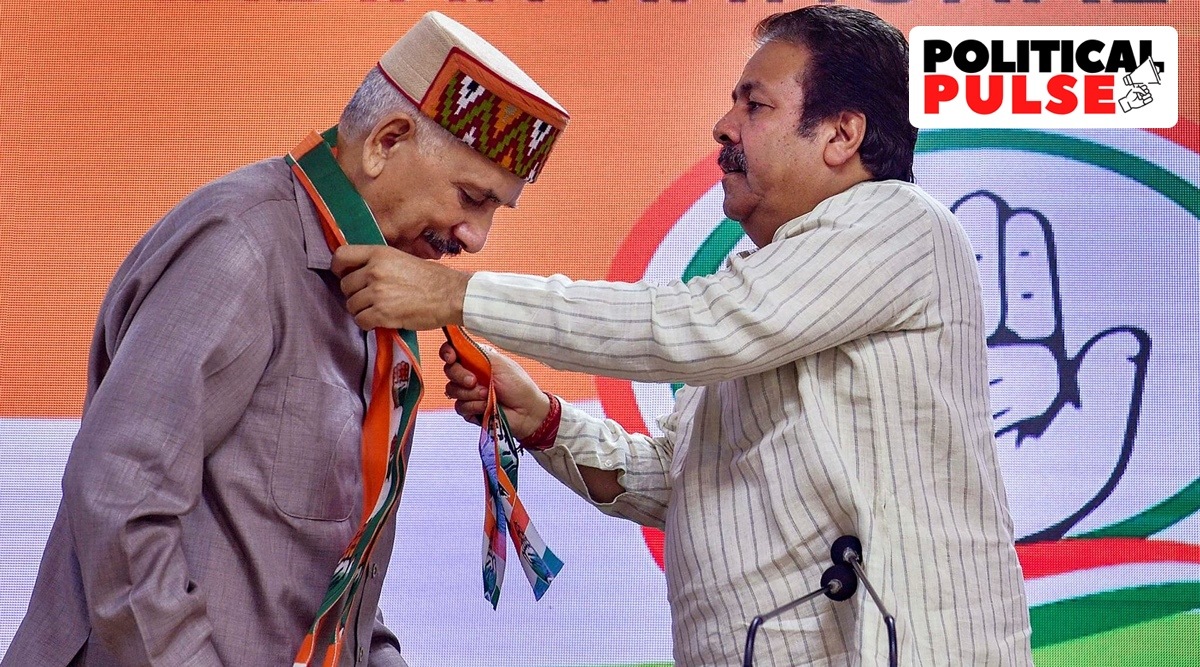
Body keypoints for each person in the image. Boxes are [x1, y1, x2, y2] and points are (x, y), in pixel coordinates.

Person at [330, 5, 1036, 666]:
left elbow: (699, 325)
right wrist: (541, 418)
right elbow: (677, 479)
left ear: (841, 135)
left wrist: (454, 293)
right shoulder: (764, 281)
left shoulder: (899, 224)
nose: (724, 126)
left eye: (755, 105)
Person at [3, 11, 568, 667]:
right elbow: (119, 500)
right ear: (387, 140)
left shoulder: (369, 283)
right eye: (472, 197)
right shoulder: (241, 245)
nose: (477, 237)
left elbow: (325, 570)